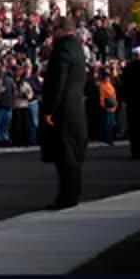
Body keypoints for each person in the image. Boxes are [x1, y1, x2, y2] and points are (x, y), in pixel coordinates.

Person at [38, 16, 88, 210]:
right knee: (73, 156)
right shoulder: (77, 49)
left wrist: (49, 109)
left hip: (63, 110)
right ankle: (71, 195)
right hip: (76, 107)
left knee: (65, 156)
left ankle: (66, 197)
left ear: (61, 30)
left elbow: (58, 82)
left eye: (53, 30)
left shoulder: (62, 51)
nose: (51, 34)